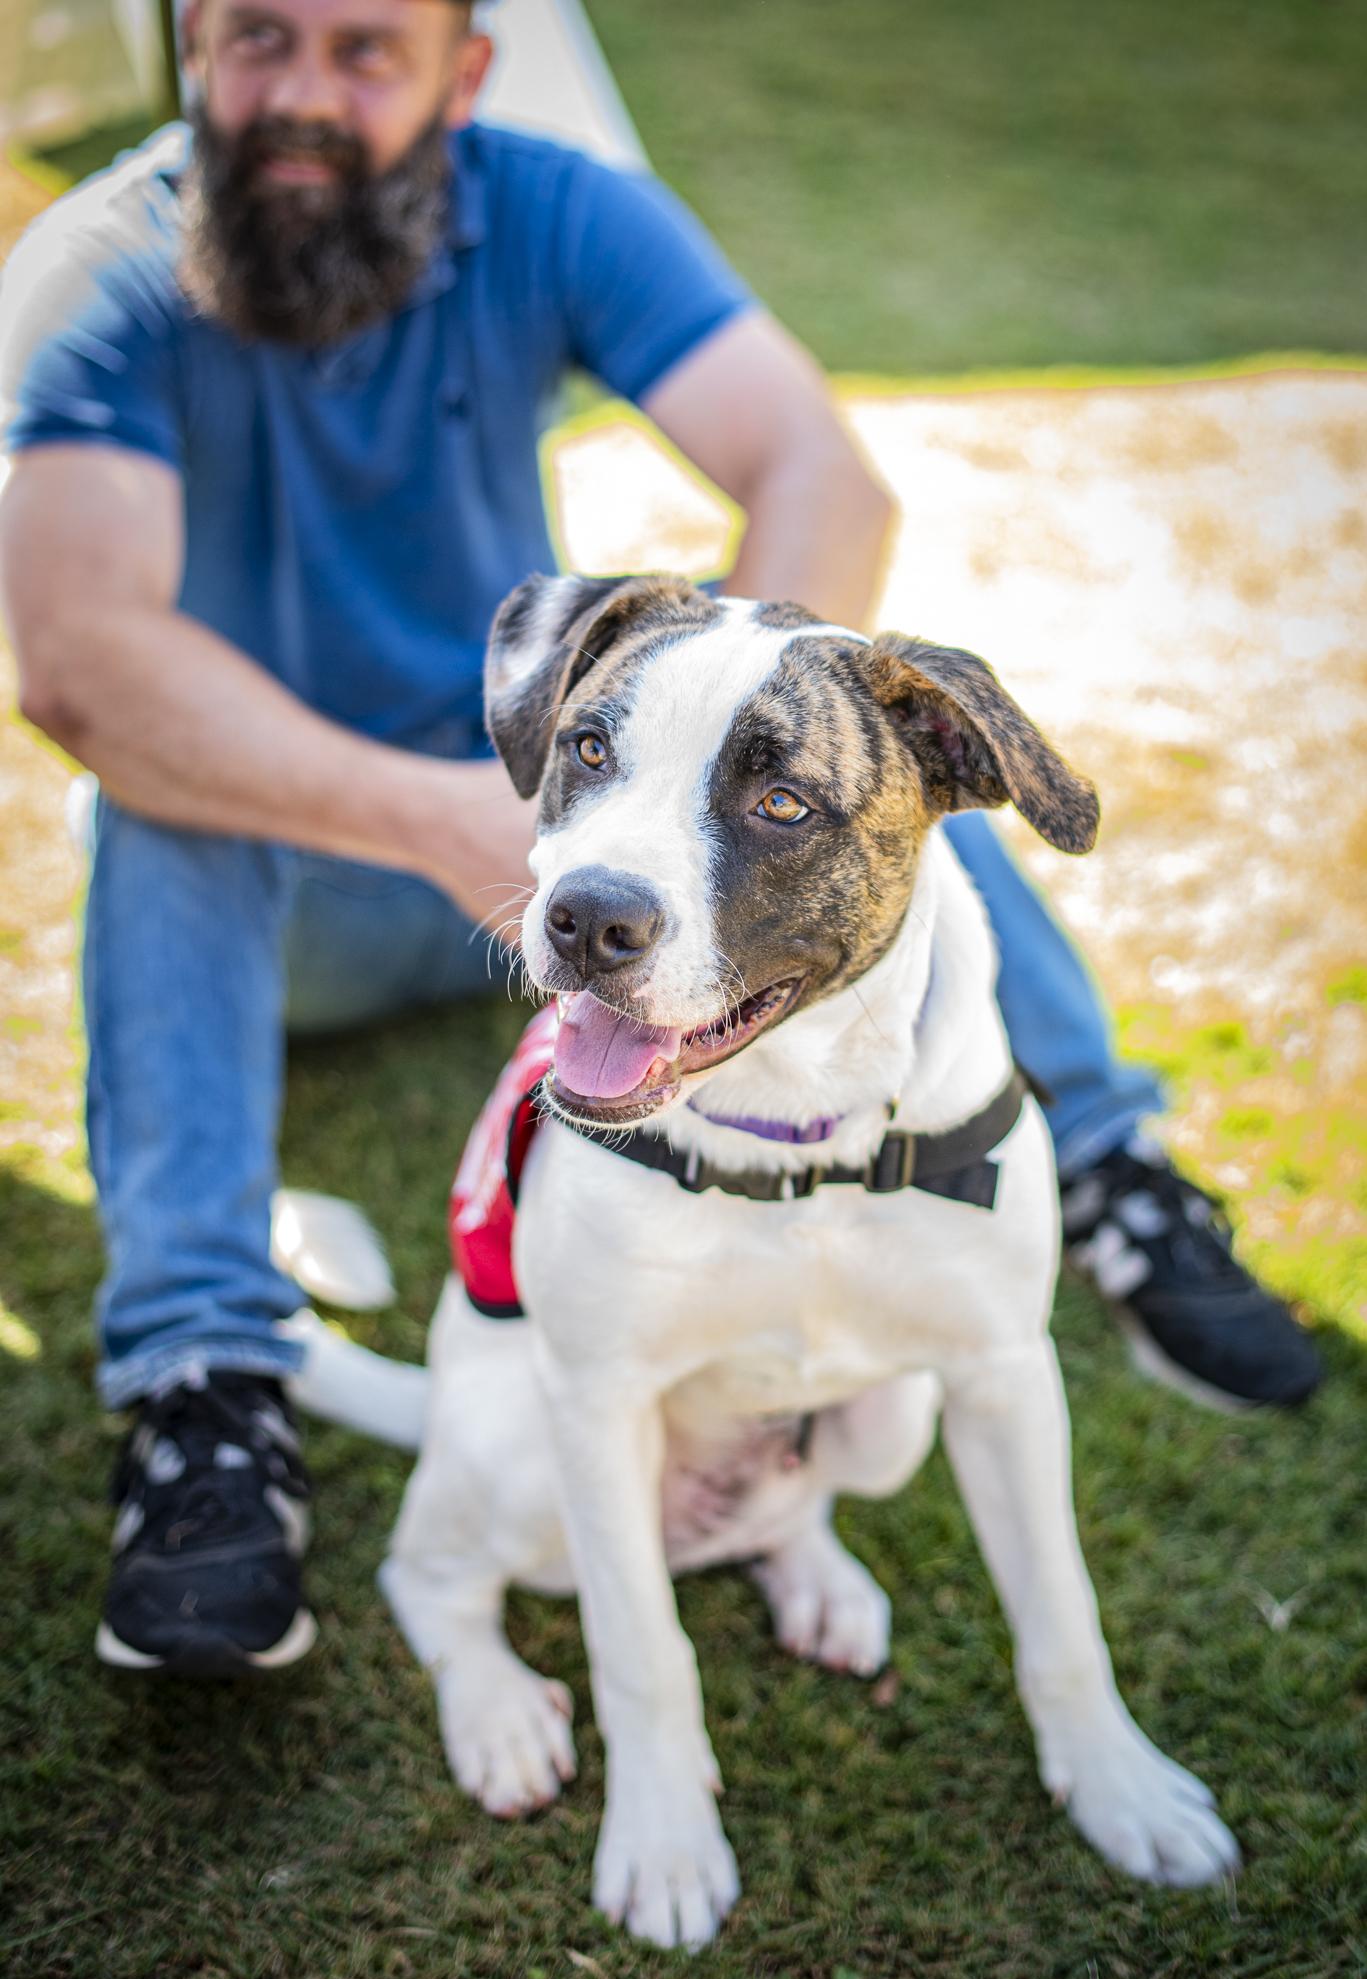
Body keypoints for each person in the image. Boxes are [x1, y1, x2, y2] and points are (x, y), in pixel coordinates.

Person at [0, 0, 1319, 1677]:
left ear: (463, 75)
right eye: (257, 41)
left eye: (364, 50)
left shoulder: (544, 205)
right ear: (188, 51)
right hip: (317, 875)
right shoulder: (106, 268)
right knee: (156, 795)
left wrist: (716, 782)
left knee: (856, 800)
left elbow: (817, 471)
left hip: (588, 845)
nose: (303, 94)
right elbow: (82, 661)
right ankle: (203, 1380)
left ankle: (1108, 1164)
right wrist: (443, 813)